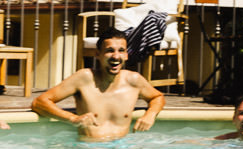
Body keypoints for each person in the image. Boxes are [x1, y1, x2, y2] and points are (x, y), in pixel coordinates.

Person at [31, 28, 165, 140]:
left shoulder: (134, 80)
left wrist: (150, 115)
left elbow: (157, 97)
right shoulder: (84, 78)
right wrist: (73, 119)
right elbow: (39, 103)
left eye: (121, 51)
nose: (116, 56)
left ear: (126, 55)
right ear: (97, 54)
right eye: (110, 50)